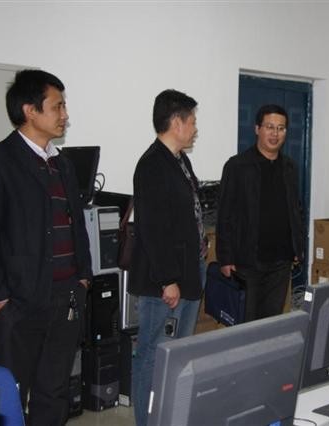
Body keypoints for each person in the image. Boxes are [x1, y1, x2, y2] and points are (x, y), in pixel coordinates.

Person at [0, 69, 92, 425]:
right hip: (19, 305)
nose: (65, 114)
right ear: (30, 111)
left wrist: (83, 279)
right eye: (58, 106)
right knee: (11, 396)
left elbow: (77, 227)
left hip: (66, 299)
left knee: (55, 392)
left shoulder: (62, 165)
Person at [129, 89, 206, 426]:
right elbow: (152, 228)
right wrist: (168, 280)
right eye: (192, 122)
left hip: (189, 271)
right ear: (176, 122)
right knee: (153, 353)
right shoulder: (151, 165)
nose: (195, 129)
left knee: (178, 352)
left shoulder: (180, 160)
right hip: (165, 281)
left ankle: (170, 416)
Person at [216, 104, 303, 321]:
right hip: (247, 262)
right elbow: (225, 215)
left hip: (281, 262)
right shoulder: (237, 166)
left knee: (271, 323)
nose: (275, 134)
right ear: (257, 129)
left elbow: (295, 209)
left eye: (281, 128)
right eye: (270, 127)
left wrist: (297, 245)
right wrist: (225, 258)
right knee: (246, 325)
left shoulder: (290, 167)